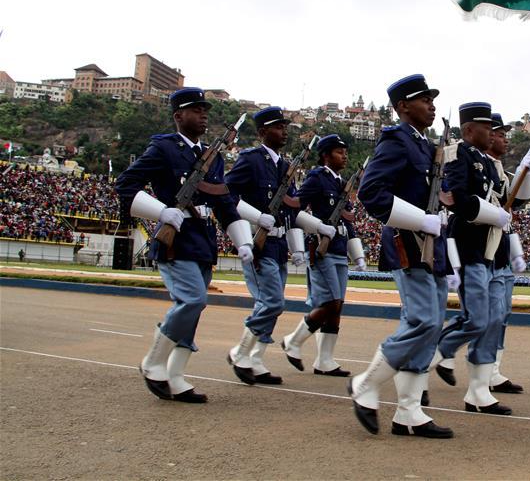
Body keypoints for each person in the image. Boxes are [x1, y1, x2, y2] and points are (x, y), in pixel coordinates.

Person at [115, 87, 254, 403]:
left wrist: (242, 240)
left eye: (205, 109)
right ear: (178, 116)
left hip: (202, 242)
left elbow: (225, 203)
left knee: (194, 309)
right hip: (175, 240)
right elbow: (125, 185)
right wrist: (161, 211)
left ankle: (175, 375)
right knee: (191, 301)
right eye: (196, 109)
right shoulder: (164, 149)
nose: (203, 114)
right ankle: (153, 361)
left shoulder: (212, 157)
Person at [350, 74, 453, 439]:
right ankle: (366, 382)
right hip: (408, 245)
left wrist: (438, 220)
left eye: (432, 98)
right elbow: (372, 193)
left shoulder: (425, 146)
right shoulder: (397, 141)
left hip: (432, 247)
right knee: (423, 320)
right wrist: (421, 219)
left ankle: (409, 412)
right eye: (424, 99)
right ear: (403, 106)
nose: (432, 104)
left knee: (429, 325)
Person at [430, 102, 514, 415]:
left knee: (492, 320)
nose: (492, 133)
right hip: (468, 247)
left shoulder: (490, 165)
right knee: (478, 318)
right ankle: (443, 346)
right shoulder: (457, 154)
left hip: (489, 249)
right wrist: (495, 214)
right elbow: (460, 201)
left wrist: (526, 173)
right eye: (486, 128)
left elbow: (509, 201)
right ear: (469, 130)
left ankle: (478, 392)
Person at [223, 106, 299, 386]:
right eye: (278, 127)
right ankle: (240, 352)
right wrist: (256, 217)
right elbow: (226, 194)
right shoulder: (251, 160)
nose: (284, 131)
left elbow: (291, 206)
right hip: (258, 242)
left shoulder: (284, 166)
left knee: (272, 306)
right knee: (272, 302)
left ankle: (256, 359)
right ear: (263, 132)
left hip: (278, 244)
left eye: (285, 126)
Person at [281, 134, 365, 377]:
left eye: (345, 151)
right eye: (340, 152)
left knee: (337, 306)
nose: (345, 155)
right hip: (322, 249)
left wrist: (356, 253)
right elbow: (294, 208)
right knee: (330, 304)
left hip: (339, 250)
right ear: (326, 155)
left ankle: (325, 360)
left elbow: (348, 220)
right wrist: (318, 227)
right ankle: (293, 341)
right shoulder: (317, 177)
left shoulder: (341, 183)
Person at [484, 112, 530, 394]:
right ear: (488, 134)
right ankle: (443, 356)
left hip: (502, 251)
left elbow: (513, 208)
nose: (505, 139)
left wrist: (524, 171)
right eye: (501, 133)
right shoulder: (479, 167)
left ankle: (492, 371)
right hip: (483, 251)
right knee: (484, 317)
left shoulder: (499, 171)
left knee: (501, 315)